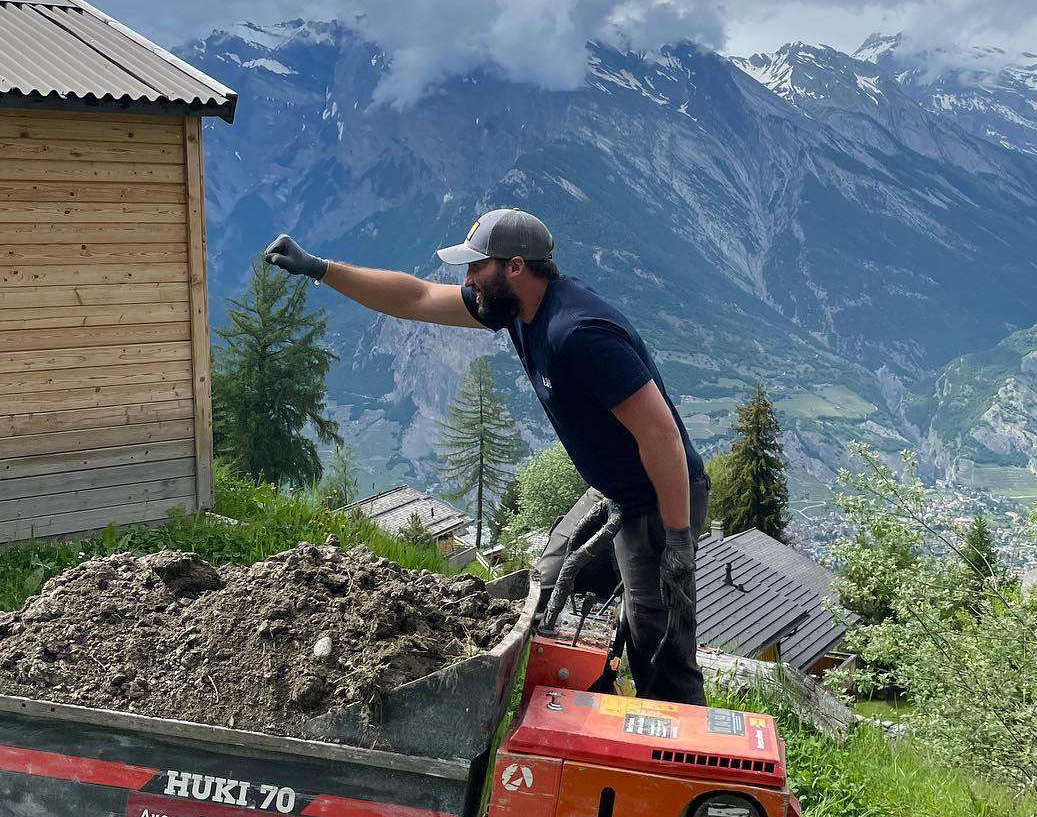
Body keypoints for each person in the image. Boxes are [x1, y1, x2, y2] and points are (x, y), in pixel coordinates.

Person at [263, 209, 710, 705]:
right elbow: (414, 297)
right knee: (553, 578)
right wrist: (321, 268)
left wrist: (676, 538)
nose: (467, 280)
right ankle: (585, 704)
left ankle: (682, 761)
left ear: (515, 266)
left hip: (658, 496)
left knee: (662, 650)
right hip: (614, 490)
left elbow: (662, 436)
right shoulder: (519, 311)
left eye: (476, 267)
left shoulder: (577, 332)